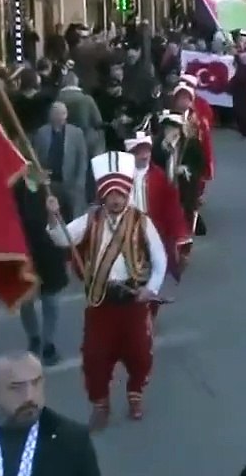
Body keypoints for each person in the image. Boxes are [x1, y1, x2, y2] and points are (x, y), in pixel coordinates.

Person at [46, 152, 168, 428]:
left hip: (134, 300)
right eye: (111, 194)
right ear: (103, 194)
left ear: (127, 194)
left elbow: (160, 259)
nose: (116, 199)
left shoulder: (141, 221)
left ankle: (135, 394)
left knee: (140, 353)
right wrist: (54, 217)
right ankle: (100, 404)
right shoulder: (91, 220)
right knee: (95, 357)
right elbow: (59, 237)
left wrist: (151, 289)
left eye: (120, 194)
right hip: (100, 301)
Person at [125, 131, 187, 317]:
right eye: (139, 152)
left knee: (154, 273)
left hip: (153, 233)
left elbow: (172, 207)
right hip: (127, 233)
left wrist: (178, 234)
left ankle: (150, 313)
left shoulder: (159, 177)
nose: (144, 156)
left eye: (147, 151)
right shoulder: (122, 177)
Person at [13, 168, 69, 366]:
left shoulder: (57, 192)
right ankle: (34, 337)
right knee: (26, 301)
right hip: (25, 253)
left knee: (51, 301)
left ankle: (48, 343)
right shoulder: (15, 192)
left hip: (51, 253)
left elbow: (67, 224)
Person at [151, 110, 207, 237]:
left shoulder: (190, 143)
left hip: (183, 185)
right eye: (167, 128)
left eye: (173, 128)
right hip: (165, 182)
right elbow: (154, 162)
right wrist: (164, 148)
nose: (170, 131)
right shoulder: (158, 145)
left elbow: (200, 165)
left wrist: (186, 168)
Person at [31, 102, 89, 222]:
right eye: (56, 113)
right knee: (50, 216)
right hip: (49, 183)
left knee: (71, 216)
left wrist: (80, 182)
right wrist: (39, 176)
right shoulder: (41, 133)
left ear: (66, 115)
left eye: (62, 113)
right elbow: (35, 157)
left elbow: (82, 159)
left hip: (70, 183)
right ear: (51, 115)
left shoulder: (76, 133)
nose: (60, 116)